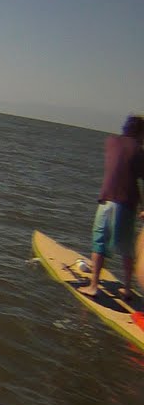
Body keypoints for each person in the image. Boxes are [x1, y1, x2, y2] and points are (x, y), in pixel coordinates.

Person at [81, 114, 144, 305]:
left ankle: (93, 286)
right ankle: (126, 288)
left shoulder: (110, 141)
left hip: (106, 200)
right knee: (126, 249)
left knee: (99, 243)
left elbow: (119, 166)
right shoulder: (139, 151)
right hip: (126, 203)